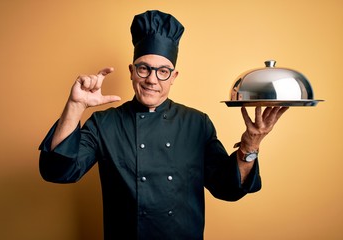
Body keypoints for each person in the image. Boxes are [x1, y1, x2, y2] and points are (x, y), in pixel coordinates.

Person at [39, 10, 288, 240]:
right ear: (131, 71)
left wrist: (250, 143)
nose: (152, 79)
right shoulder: (105, 123)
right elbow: (58, 172)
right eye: (144, 68)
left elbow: (227, 188)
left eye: (163, 71)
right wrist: (75, 105)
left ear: (174, 77)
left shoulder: (196, 123)